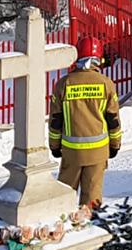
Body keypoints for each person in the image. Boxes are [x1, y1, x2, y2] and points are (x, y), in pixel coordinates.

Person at [49, 36, 121, 207]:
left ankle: (61, 228)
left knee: (64, 198)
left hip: (71, 152)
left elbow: (55, 121)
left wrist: (54, 146)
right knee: (91, 201)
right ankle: (89, 229)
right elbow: (113, 120)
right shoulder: (106, 84)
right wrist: (115, 145)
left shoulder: (63, 84)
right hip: (98, 151)